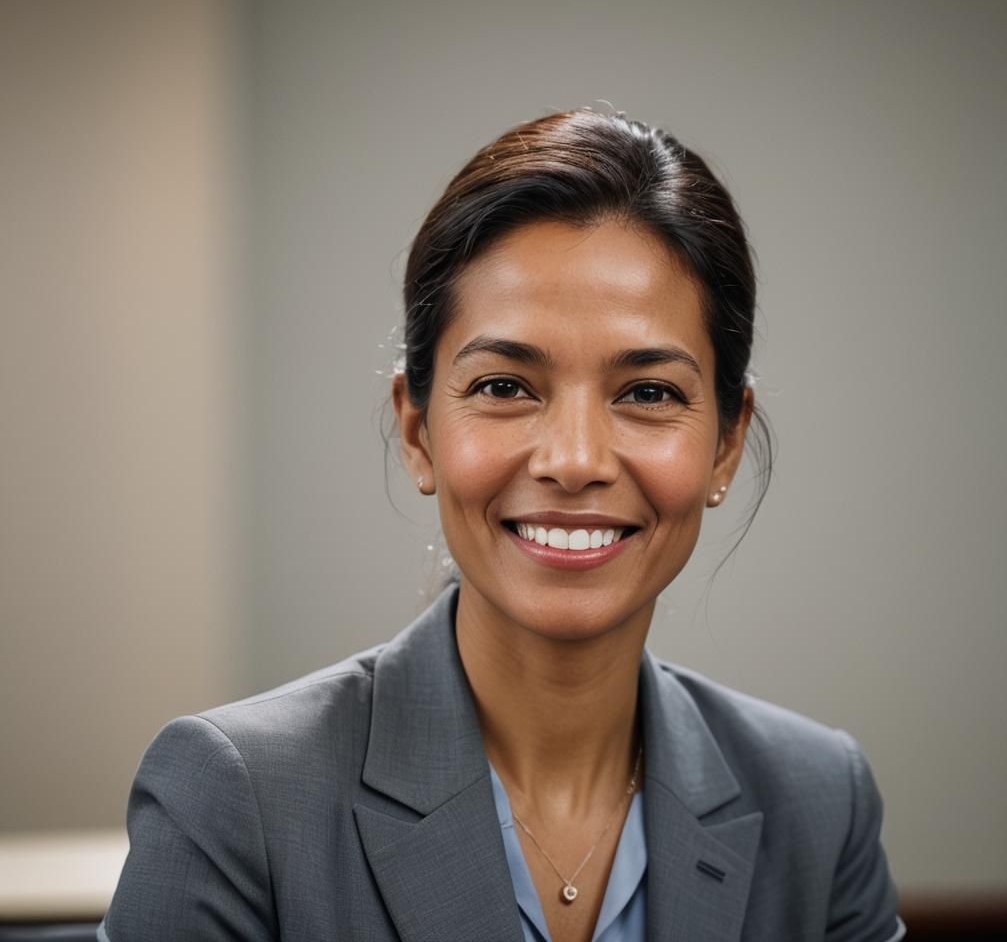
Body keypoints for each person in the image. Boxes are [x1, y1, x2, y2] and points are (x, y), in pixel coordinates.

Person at [99, 109, 904, 941]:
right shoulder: (236, 800)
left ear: (727, 444)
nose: (575, 458)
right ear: (417, 432)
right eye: (505, 386)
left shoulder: (819, 805)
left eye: (649, 393)